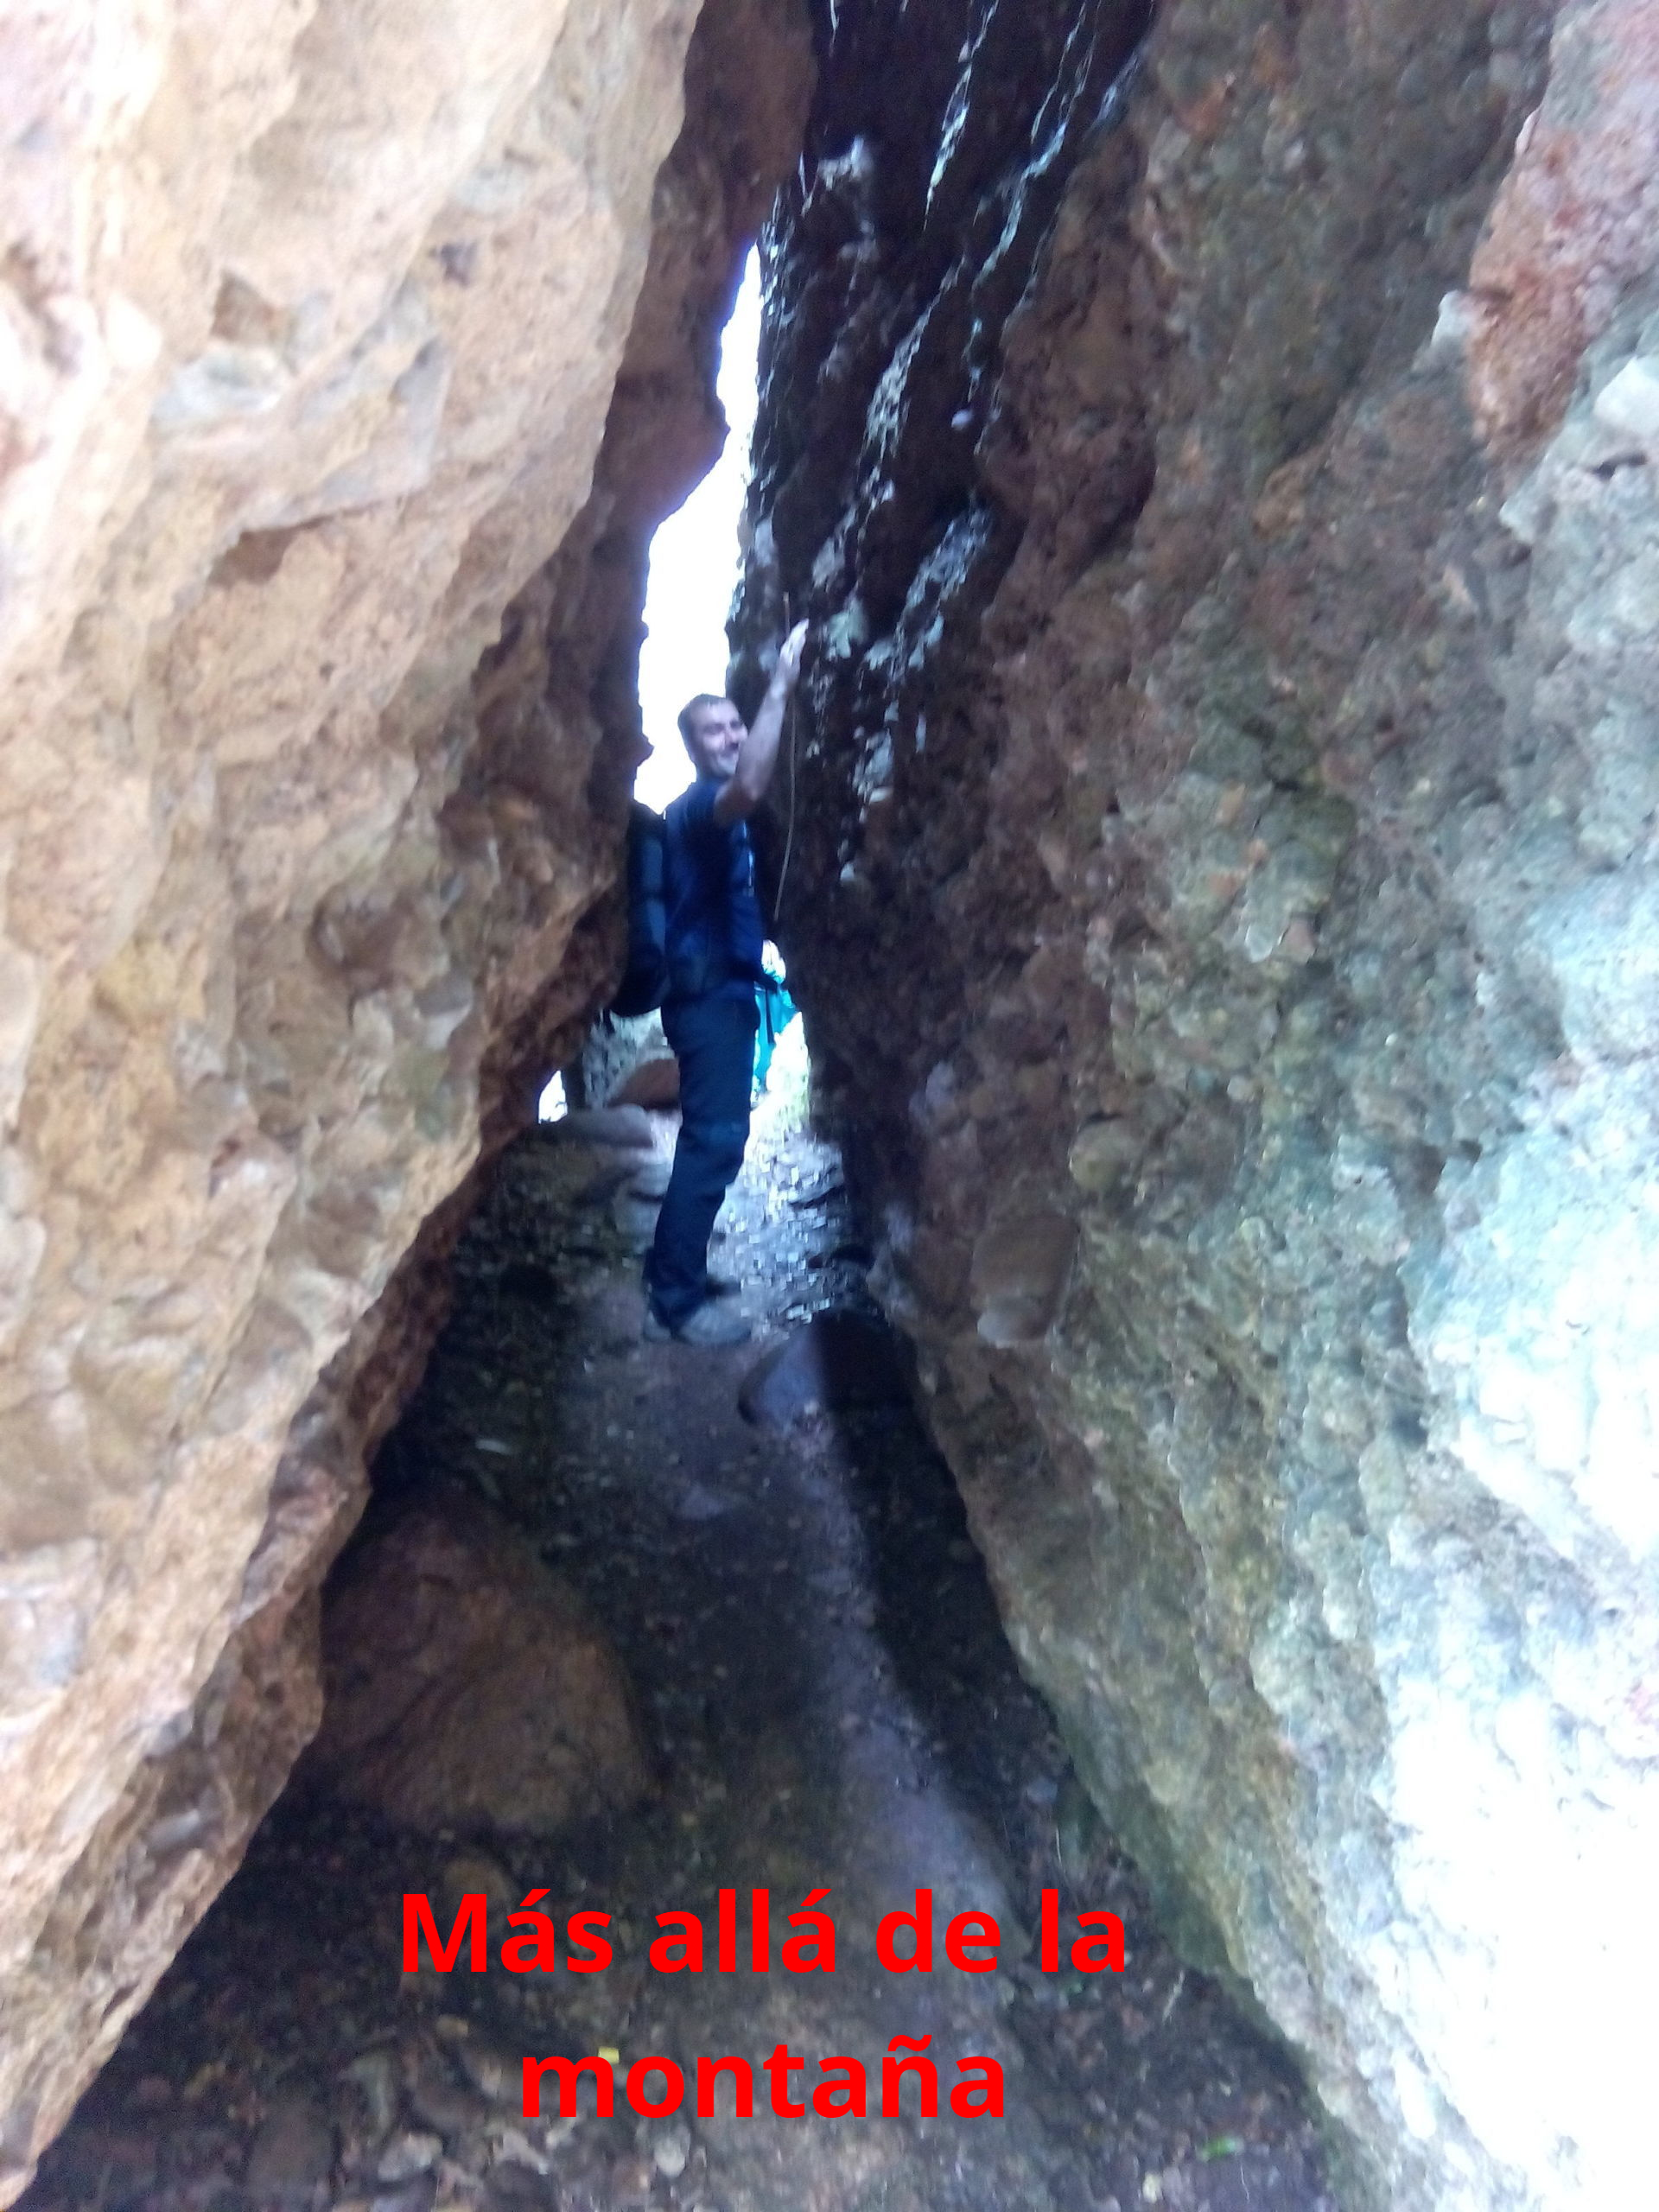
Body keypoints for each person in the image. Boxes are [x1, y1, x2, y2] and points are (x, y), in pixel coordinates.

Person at [643, 620, 809, 1344]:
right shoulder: (699, 810)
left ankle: (673, 1266)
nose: (732, 736)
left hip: (724, 995)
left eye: (737, 723)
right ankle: (675, 1300)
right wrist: (780, 687)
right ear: (692, 744)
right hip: (707, 999)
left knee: (710, 1138)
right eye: (715, 730)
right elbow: (750, 785)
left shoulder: (718, 821)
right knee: (714, 1138)